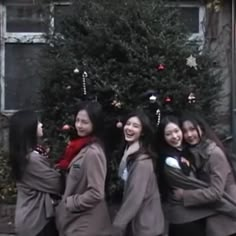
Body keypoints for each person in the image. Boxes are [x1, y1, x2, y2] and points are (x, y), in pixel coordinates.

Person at [173, 112, 236, 236]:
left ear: (201, 129)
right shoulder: (193, 153)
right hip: (210, 212)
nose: (189, 135)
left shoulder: (214, 153)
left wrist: (184, 195)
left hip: (226, 217)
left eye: (192, 129)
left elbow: (216, 192)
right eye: (185, 131)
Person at [56, 101, 112, 236]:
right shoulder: (78, 147)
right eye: (77, 120)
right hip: (74, 222)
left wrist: (70, 203)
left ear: (95, 124)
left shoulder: (93, 152)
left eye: (85, 122)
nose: (79, 125)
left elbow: (96, 193)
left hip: (87, 225)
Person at [9, 110, 61, 236]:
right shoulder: (32, 160)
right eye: (37, 123)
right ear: (28, 129)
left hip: (30, 219)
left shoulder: (24, 155)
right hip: (37, 222)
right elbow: (57, 184)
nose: (41, 124)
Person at [157, 115, 211, 236]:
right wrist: (214, 189)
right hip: (184, 219)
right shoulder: (169, 160)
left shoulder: (188, 150)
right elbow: (192, 183)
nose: (175, 137)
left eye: (176, 131)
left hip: (198, 212)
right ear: (163, 137)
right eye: (168, 134)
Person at [113, 110, 164, 236]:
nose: (129, 128)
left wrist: (117, 226)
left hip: (145, 225)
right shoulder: (128, 152)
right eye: (128, 124)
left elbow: (134, 197)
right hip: (138, 222)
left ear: (142, 132)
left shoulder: (141, 162)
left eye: (135, 126)